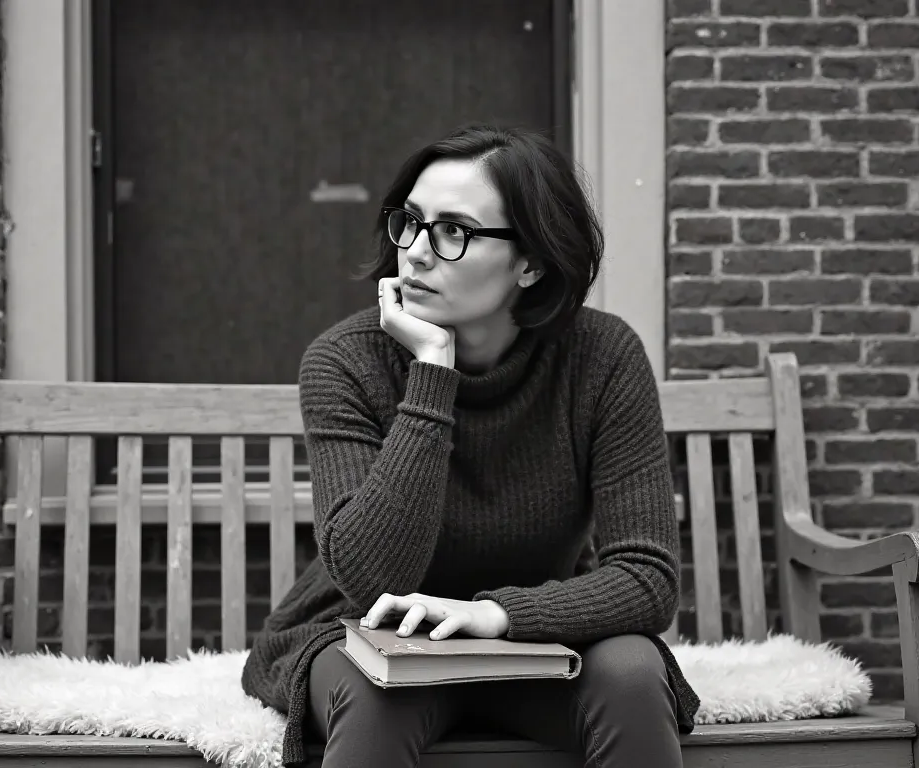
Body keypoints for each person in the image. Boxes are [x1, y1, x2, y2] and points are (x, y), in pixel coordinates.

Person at [242, 123, 700, 767]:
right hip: (364, 633)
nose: (418, 253)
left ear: (532, 261)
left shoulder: (602, 357)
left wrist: (497, 616)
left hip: (534, 632)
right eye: (410, 221)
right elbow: (375, 579)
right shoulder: (345, 362)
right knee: (379, 693)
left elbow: (646, 580)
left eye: (455, 230)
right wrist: (433, 372)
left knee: (632, 673)